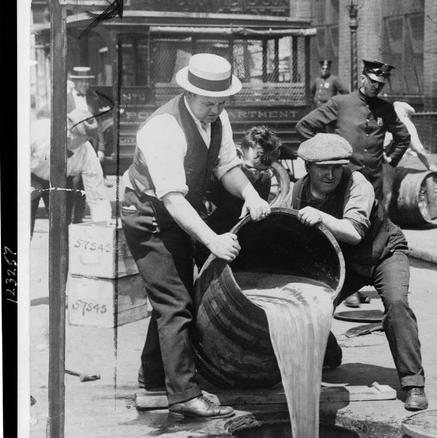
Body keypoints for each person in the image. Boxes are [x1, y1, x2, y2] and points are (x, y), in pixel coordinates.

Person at [120, 53, 270, 419]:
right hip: (147, 212)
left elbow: (226, 165)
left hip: (174, 210)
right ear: (188, 92)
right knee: (175, 302)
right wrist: (212, 240)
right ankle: (184, 395)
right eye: (208, 103)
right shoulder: (163, 128)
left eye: (222, 103)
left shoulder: (217, 117)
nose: (215, 110)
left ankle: (154, 382)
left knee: (177, 297)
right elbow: (172, 200)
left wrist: (250, 193)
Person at [279, 133, 428, 412]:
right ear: (308, 167)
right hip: (347, 262)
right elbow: (284, 228)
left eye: (337, 166)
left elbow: (354, 232)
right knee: (310, 304)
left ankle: (413, 383)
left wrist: (321, 216)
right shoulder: (297, 192)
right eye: (323, 167)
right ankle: (330, 351)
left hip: (384, 253)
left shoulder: (357, 183)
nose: (332, 174)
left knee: (397, 305)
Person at [297, 59, 411, 308]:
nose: (375, 88)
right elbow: (305, 126)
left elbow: (403, 137)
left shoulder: (385, 109)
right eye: (372, 82)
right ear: (362, 78)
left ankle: (375, 280)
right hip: (342, 183)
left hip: (374, 183)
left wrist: (389, 161)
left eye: (380, 84)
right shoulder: (342, 103)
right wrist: (325, 154)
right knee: (343, 232)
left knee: (372, 232)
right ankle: (346, 286)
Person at [193, 125, 283, 267]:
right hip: (209, 234)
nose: (255, 176)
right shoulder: (215, 174)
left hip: (236, 238)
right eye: (250, 169)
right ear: (239, 155)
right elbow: (201, 214)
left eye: (263, 171)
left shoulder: (264, 178)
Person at [30, 108, 112, 236]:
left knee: (62, 231)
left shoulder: (88, 155)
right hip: (30, 177)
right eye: (66, 128)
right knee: (23, 226)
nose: (67, 134)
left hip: (62, 182)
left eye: (74, 132)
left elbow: (97, 196)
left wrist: (103, 232)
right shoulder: (39, 131)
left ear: (86, 139)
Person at [67, 66, 111, 223]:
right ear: (75, 82)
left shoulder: (92, 99)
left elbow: (97, 124)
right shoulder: (65, 99)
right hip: (72, 145)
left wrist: (101, 148)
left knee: (87, 182)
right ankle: (69, 218)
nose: (85, 85)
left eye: (87, 81)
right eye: (81, 82)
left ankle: (78, 218)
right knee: (72, 181)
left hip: (89, 145)